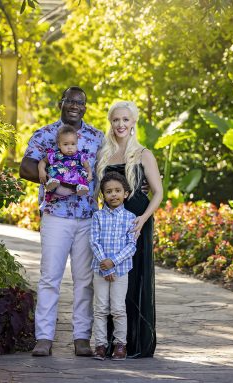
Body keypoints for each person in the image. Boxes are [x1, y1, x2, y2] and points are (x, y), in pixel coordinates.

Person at [19, 86, 104, 357]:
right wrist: (56, 183)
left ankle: (81, 337)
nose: (75, 106)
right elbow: (26, 167)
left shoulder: (97, 137)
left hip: (87, 216)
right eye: (70, 101)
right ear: (61, 103)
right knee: (49, 278)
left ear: (86, 107)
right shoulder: (45, 134)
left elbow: (112, 169)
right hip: (56, 215)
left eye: (80, 102)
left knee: (84, 279)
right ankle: (44, 338)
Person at [96, 100, 163, 358]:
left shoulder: (144, 154)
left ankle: (134, 342)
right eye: (116, 120)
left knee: (135, 279)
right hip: (110, 227)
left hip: (136, 223)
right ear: (110, 123)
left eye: (125, 119)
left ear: (133, 122)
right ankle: (112, 342)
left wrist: (143, 219)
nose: (120, 124)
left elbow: (158, 192)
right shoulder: (104, 153)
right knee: (111, 279)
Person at [90, 171, 137, 361]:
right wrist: (105, 266)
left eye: (118, 190)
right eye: (109, 191)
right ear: (103, 195)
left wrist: (113, 263)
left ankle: (120, 345)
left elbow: (131, 245)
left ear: (126, 193)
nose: (114, 195)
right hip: (100, 270)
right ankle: (100, 345)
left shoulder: (131, 217)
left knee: (118, 308)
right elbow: (94, 241)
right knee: (100, 308)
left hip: (121, 271)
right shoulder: (98, 217)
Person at [37, 124, 93, 201]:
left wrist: (90, 174)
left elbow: (87, 167)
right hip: (60, 179)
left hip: (74, 179)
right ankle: (52, 184)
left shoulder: (80, 155)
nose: (70, 147)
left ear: (77, 143)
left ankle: (80, 187)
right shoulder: (56, 155)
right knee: (54, 168)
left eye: (73, 144)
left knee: (83, 173)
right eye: (66, 144)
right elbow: (43, 161)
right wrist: (41, 171)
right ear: (59, 145)